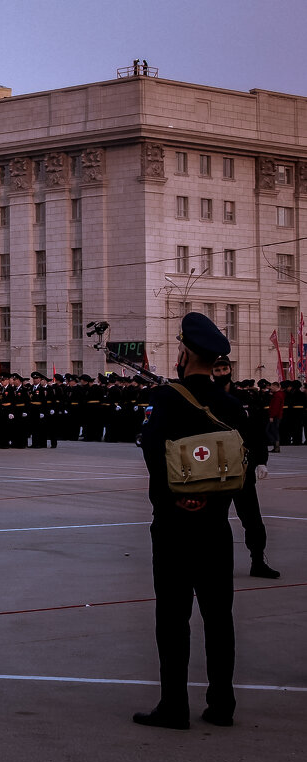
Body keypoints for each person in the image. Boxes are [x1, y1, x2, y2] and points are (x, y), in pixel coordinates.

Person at [135, 312, 246, 730]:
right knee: (219, 618)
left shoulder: (167, 399)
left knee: (173, 617)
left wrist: (182, 500)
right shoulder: (231, 405)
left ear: (184, 353)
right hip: (217, 526)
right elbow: (242, 465)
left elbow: (152, 453)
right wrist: (213, 502)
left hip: (174, 526)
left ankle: (174, 706)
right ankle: (222, 704)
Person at [213, 357, 280, 579]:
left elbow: (256, 432)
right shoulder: (207, 397)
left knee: (251, 517)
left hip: (242, 466)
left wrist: (262, 460)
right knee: (215, 520)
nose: (222, 372)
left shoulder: (245, 397)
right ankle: (216, 565)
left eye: (225, 368)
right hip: (215, 467)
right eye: (217, 369)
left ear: (230, 369)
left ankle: (258, 561)